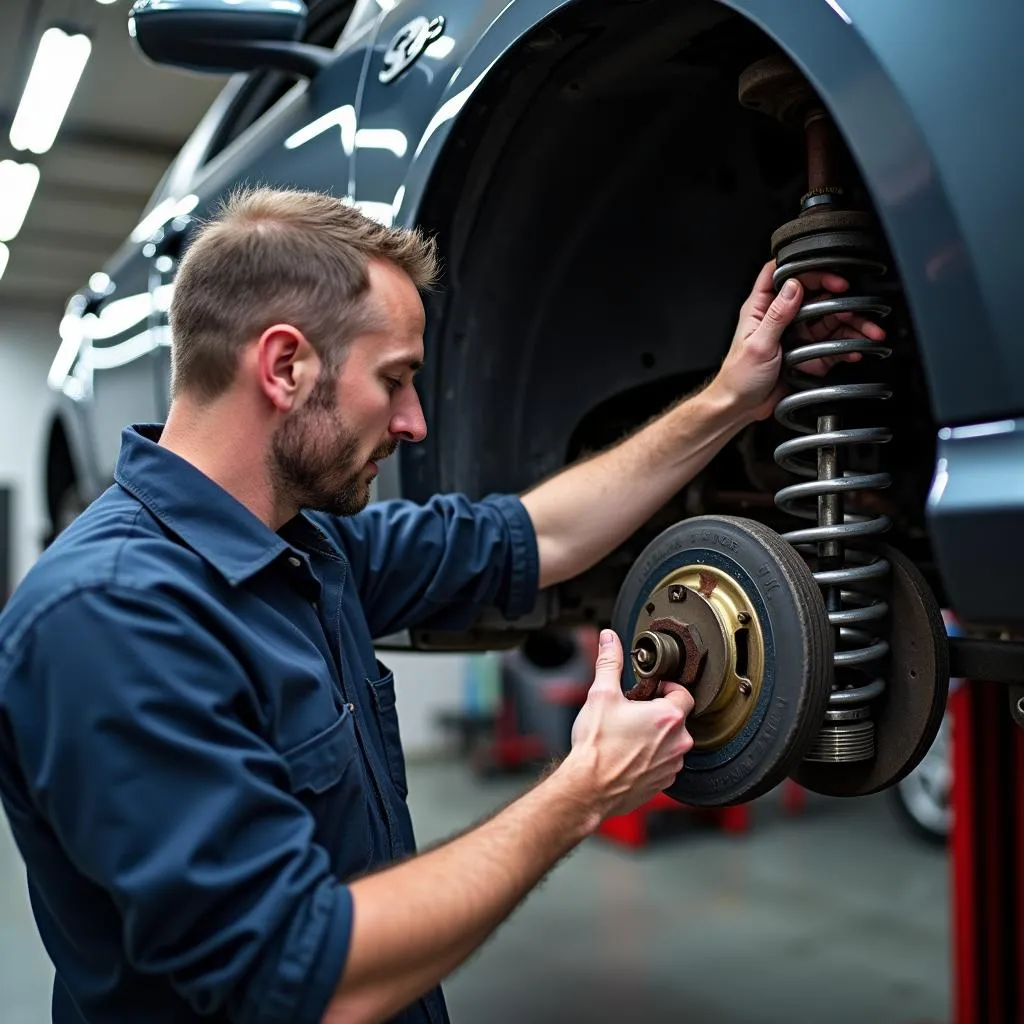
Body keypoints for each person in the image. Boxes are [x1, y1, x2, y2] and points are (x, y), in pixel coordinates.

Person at [0, 187, 883, 1024]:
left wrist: (730, 399)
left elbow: (539, 538)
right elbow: (306, 982)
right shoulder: (107, 621)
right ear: (283, 366)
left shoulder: (310, 547)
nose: (416, 422)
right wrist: (581, 791)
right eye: (395, 380)